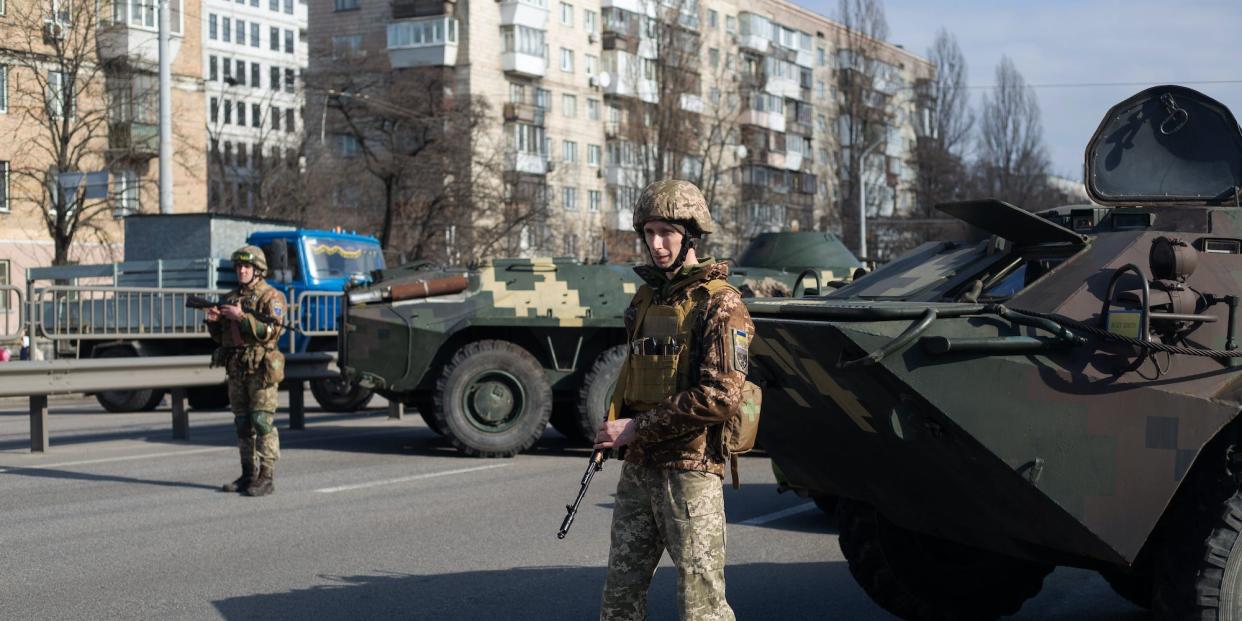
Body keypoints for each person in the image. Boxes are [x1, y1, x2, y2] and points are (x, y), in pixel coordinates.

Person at [594, 179, 755, 621]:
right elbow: (634, 372)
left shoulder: (721, 305)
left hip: (691, 472)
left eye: (666, 232)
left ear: (690, 235)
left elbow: (720, 395)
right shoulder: (647, 298)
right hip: (641, 467)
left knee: (701, 606)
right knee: (619, 598)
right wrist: (616, 424)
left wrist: (635, 428)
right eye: (649, 233)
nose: (657, 244)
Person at [205, 245, 287, 497]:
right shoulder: (230, 298)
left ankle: (266, 476)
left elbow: (271, 331)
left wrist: (242, 317)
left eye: (247, 267)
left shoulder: (271, 297)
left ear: (258, 270)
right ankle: (248, 473)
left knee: (262, 421)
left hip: (261, 368)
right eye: (239, 267)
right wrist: (213, 322)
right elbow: (223, 339)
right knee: (242, 423)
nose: (241, 270)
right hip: (237, 367)